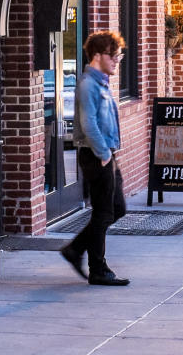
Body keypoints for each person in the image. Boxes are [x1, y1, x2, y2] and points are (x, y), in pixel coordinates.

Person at [59, 30, 130, 286]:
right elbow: (88, 122)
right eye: (114, 57)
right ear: (98, 56)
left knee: (117, 208)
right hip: (96, 155)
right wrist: (102, 154)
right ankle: (98, 268)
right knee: (103, 212)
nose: (116, 61)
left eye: (118, 57)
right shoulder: (88, 85)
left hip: (106, 153)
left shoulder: (100, 83)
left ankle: (76, 249)